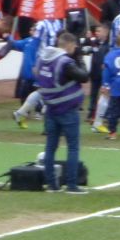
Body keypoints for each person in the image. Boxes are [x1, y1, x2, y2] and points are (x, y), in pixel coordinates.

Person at [35, 31, 90, 194]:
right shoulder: (64, 62)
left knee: (51, 147)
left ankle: (52, 184)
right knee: (73, 148)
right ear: (69, 45)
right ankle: (72, 185)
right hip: (67, 109)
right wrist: (80, 59)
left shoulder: (43, 59)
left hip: (51, 108)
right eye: (74, 46)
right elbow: (84, 77)